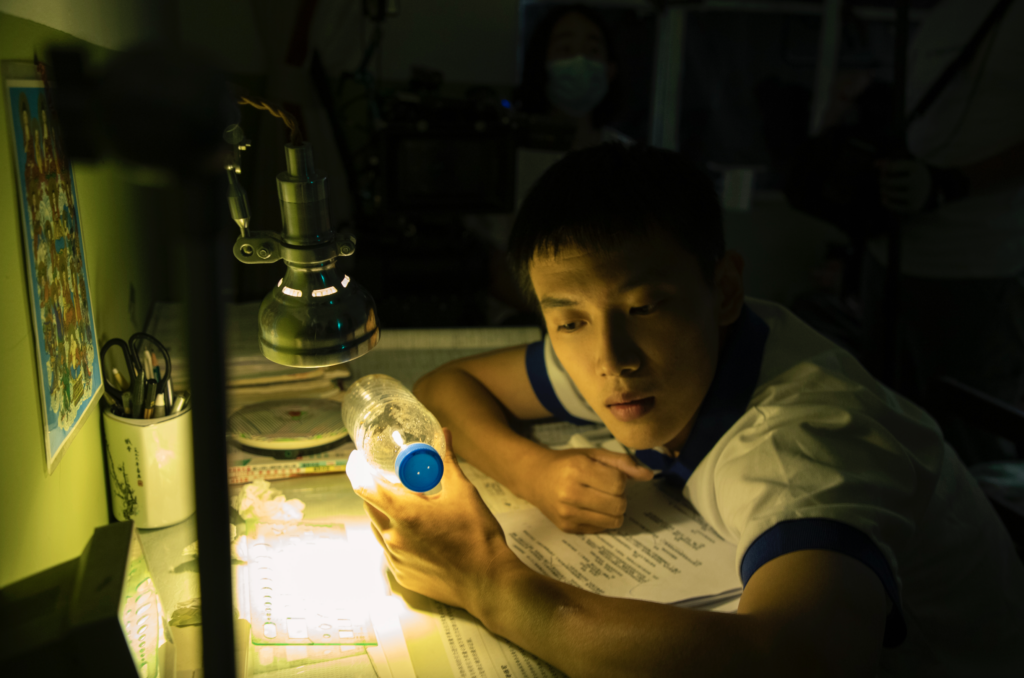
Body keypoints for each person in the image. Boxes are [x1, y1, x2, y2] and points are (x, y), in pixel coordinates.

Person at [350, 143, 1024, 676]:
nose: (610, 359)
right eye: (568, 320)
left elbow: (798, 661)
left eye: (644, 306)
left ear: (724, 289)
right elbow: (448, 385)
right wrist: (532, 470)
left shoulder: (803, 445)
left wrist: (490, 581)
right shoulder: (644, 347)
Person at [867, 0, 1024, 465]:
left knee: (976, 449)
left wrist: (950, 184)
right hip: (890, 255)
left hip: (977, 265)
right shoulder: (942, 14)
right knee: (883, 434)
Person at [469, 3, 632, 324]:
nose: (581, 61)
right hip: (523, 322)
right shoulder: (509, 154)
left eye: (593, 49)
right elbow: (496, 267)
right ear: (541, 64)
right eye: (566, 48)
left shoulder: (627, 159)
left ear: (611, 68)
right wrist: (566, 320)